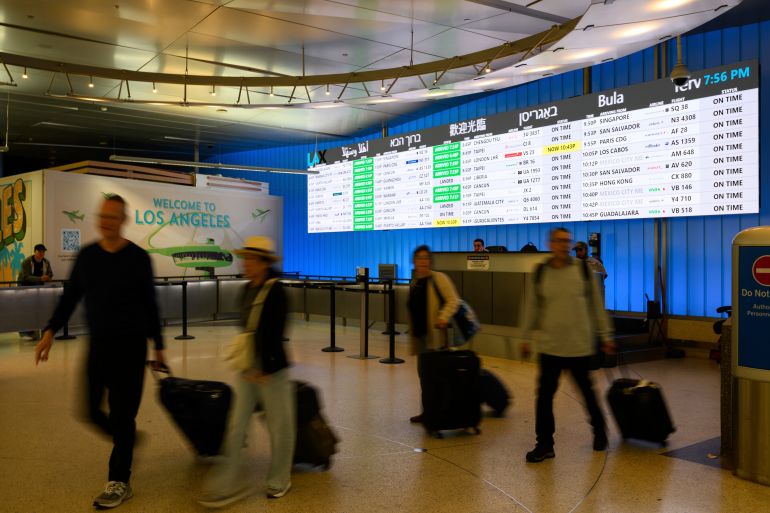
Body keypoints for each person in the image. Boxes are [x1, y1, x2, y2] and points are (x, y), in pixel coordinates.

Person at [34, 194, 165, 509]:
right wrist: (50, 331)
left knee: (123, 414)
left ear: (123, 220)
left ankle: (119, 480)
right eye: (103, 216)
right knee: (89, 410)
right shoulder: (88, 256)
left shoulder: (137, 257)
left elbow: (150, 304)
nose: (106, 222)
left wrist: (159, 346)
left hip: (131, 348)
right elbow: (70, 297)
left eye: (113, 217)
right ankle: (126, 438)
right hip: (99, 346)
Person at [198, 235, 295, 508]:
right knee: (236, 425)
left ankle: (279, 479)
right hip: (248, 367)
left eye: (251, 259)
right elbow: (246, 329)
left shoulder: (277, 291)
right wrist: (248, 364)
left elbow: (276, 333)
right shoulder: (246, 289)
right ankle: (224, 483)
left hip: (271, 369)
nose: (246, 263)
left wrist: (262, 366)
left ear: (264, 263)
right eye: (245, 258)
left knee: (280, 427)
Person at [520, 227, 614, 463]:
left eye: (567, 241)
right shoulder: (540, 272)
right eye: (559, 241)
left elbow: (596, 306)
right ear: (551, 244)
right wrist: (524, 336)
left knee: (587, 394)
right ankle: (544, 444)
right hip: (550, 346)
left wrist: (605, 335)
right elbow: (531, 306)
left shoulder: (583, 271)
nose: (564, 245)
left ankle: (600, 432)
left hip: (578, 346)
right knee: (543, 398)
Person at [406, 245, 461, 423]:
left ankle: (439, 412)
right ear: (414, 261)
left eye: (425, 258)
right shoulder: (415, 281)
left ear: (430, 261)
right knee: (424, 375)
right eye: (419, 258)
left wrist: (443, 317)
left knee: (436, 376)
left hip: (436, 335)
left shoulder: (439, 278)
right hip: (421, 336)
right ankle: (428, 411)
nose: (422, 261)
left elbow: (454, 300)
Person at [18, 243, 54, 339]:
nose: (42, 253)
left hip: (39, 290)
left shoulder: (46, 262)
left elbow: (51, 273)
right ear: (35, 252)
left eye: (43, 252)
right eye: (39, 251)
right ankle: (24, 333)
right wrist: (40, 279)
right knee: (26, 310)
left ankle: (35, 331)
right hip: (25, 289)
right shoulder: (26, 262)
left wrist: (48, 277)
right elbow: (26, 277)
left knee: (37, 311)